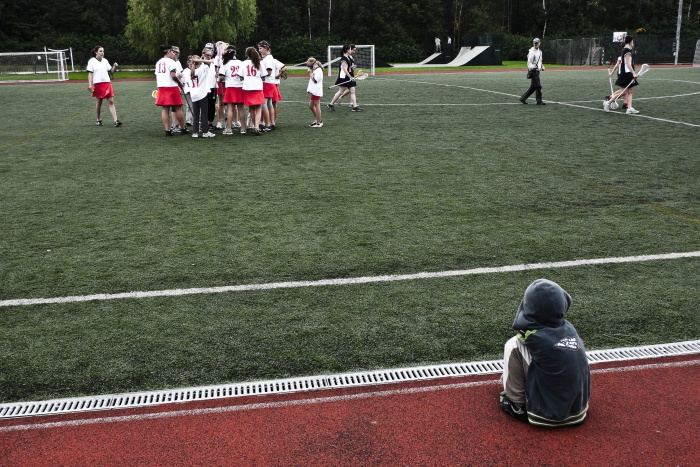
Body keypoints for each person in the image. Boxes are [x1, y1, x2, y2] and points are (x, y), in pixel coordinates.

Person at [499, 279, 591, 427]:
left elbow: (521, 327)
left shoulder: (532, 337)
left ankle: (517, 406)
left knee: (513, 345)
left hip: (544, 416)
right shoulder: (571, 330)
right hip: (579, 410)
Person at [154, 45, 188, 136]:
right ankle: (183, 128)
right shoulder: (171, 62)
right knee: (178, 108)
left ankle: (167, 130)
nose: (174, 54)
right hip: (171, 87)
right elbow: (173, 75)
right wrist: (180, 84)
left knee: (165, 109)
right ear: (168, 52)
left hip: (161, 87)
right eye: (172, 52)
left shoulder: (158, 62)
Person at [86, 45, 121, 127]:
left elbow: (111, 71)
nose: (102, 53)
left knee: (111, 101)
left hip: (107, 83)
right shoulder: (91, 61)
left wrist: (115, 67)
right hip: (98, 84)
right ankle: (98, 119)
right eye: (100, 51)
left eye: (103, 51)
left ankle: (116, 120)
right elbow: (90, 74)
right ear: (96, 52)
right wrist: (90, 85)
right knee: (99, 102)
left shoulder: (105, 61)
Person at [604, 35, 639, 114]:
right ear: (630, 42)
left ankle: (629, 108)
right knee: (624, 92)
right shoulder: (627, 51)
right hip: (627, 74)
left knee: (630, 91)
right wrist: (633, 73)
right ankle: (608, 103)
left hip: (627, 73)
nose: (633, 43)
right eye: (632, 41)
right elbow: (627, 63)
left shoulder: (626, 50)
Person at [237, 46, 266, 136]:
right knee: (258, 108)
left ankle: (254, 126)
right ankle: (256, 127)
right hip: (257, 87)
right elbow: (264, 76)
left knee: (251, 108)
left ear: (247, 54)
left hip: (247, 87)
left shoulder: (244, 63)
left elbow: (240, 76)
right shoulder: (259, 63)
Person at [327, 44, 362, 112]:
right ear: (347, 50)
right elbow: (344, 69)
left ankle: (354, 107)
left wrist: (352, 67)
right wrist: (350, 77)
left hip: (348, 77)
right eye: (349, 49)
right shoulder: (343, 58)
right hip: (344, 77)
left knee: (352, 90)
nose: (350, 50)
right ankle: (331, 104)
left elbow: (348, 68)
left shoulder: (348, 57)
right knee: (341, 91)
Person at [219, 46, 244, 135]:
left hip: (230, 87)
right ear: (234, 54)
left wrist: (223, 78)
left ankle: (229, 129)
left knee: (230, 109)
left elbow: (221, 77)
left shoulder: (225, 63)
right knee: (241, 109)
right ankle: (243, 128)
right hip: (240, 87)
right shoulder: (241, 62)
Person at [188, 55, 215, 138]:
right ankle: (205, 132)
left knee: (195, 115)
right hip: (202, 94)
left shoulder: (188, 71)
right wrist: (201, 60)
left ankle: (195, 132)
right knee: (204, 114)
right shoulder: (203, 68)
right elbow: (212, 61)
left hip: (193, 95)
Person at [519, 38, 546, 105]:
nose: (536, 44)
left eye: (537, 43)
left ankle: (523, 98)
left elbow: (540, 61)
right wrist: (532, 67)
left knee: (533, 87)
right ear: (533, 44)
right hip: (533, 71)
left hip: (537, 70)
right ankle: (539, 101)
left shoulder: (540, 51)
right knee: (538, 86)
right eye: (535, 43)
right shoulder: (532, 52)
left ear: (539, 43)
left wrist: (542, 66)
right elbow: (529, 62)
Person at [306, 57, 323, 128]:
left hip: (316, 91)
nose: (310, 68)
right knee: (311, 106)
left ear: (314, 64)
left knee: (317, 105)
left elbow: (315, 80)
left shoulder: (319, 70)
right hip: (314, 91)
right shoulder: (316, 70)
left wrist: (310, 73)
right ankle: (318, 119)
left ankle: (318, 122)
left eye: (310, 66)